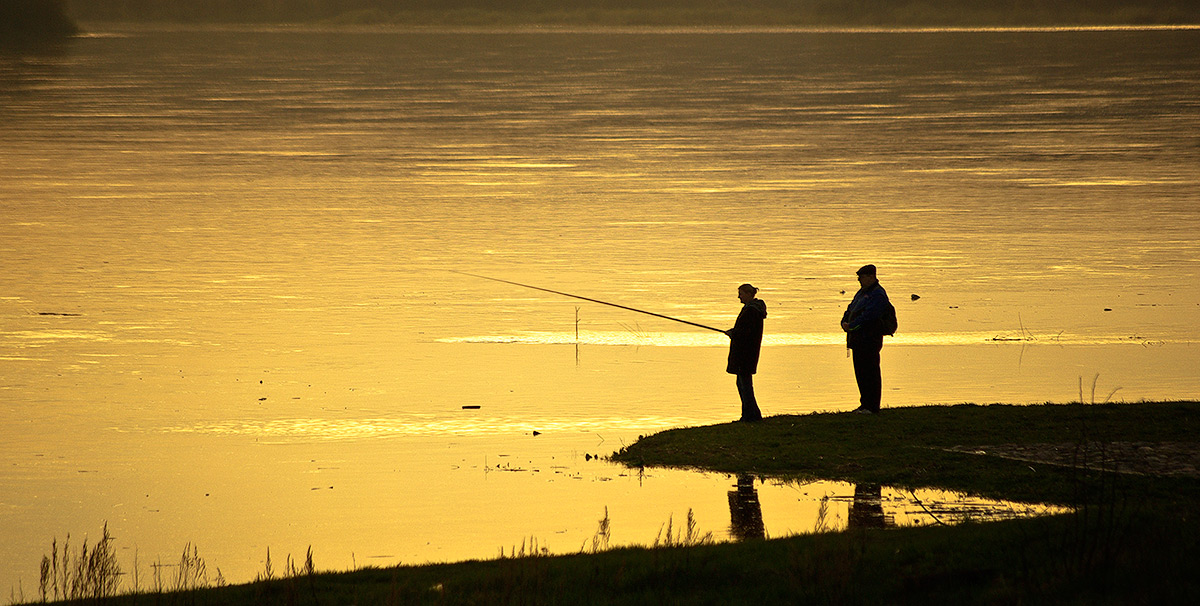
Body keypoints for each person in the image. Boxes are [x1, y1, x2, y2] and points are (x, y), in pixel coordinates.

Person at [840, 264, 891, 414]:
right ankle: (864, 404)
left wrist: (852, 325)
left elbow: (869, 316)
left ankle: (872, 406)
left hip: (870, 339)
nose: (860, 281)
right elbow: (850, 309)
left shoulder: (878, 295)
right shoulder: (861, 293)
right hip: (857, 340)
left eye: (861, 278)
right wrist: (844, 322)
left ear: (871, 277)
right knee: (861, 373)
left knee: (871, 372)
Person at [726, 284, 766, 422]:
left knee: (745, 385)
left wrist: (733, 333)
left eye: (741, 294)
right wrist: (734, 332)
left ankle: (750, 416)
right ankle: (751, 414)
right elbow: (745, 330)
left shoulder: (751, 311)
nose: (739, 297)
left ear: (749, 294)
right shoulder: (752, 310)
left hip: (745, 353)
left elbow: (746, 333)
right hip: (747, 353)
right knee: (742, 383)